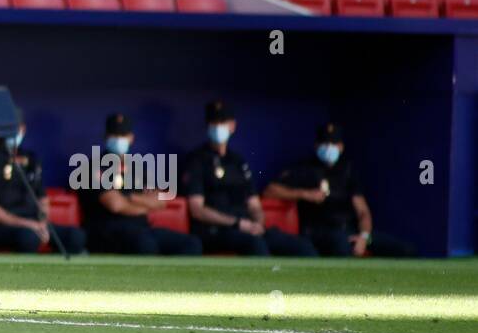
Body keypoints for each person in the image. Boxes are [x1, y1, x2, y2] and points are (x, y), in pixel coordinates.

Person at [182, 101, 317, 257]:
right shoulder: (197, 160)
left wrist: (257, 223)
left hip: (247, 226)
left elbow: (254, 205)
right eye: (214, 123)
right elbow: (197, 210)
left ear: (232, 125)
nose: (218, 127)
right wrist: (237, 223)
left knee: (302, 247)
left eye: (222, 122)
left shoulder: (238, 162)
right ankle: (265, 282)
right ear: (207, 126)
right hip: (216, 230)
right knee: (255, 244)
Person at [264, 123, 415, 258]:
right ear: (316, 146)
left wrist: (364, 237)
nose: (329, 147)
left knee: (405, 250)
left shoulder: (347, 170)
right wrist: (305, 194)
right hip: (319, 232)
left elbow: (363, 211)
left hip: (351, 231)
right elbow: (270, 191)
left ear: (341, 146)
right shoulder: (305, 168)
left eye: (333, 143)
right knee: (341, 245)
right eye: (325, 143)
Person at [79, 113, 202, 256]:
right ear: (106, 137)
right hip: (107, 231)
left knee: (192, 244)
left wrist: (129, 196)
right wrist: (145, 204)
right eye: (115, 135)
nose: (119, 139)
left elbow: (161, 201)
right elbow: (116, 205)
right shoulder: (92, 167)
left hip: (143, 228)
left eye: (123, 135)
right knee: (145, 244)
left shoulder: (137, 167)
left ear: (131, 138)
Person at [0, 112, 86, 255]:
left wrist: (41, 222)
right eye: (6, 127)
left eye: (15, 127)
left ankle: (57, 274)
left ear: (22, 128)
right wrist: (26, 224)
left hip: (33, 223)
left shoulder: (30, 158)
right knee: (28, 237)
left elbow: (42, 199)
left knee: (75, 236)